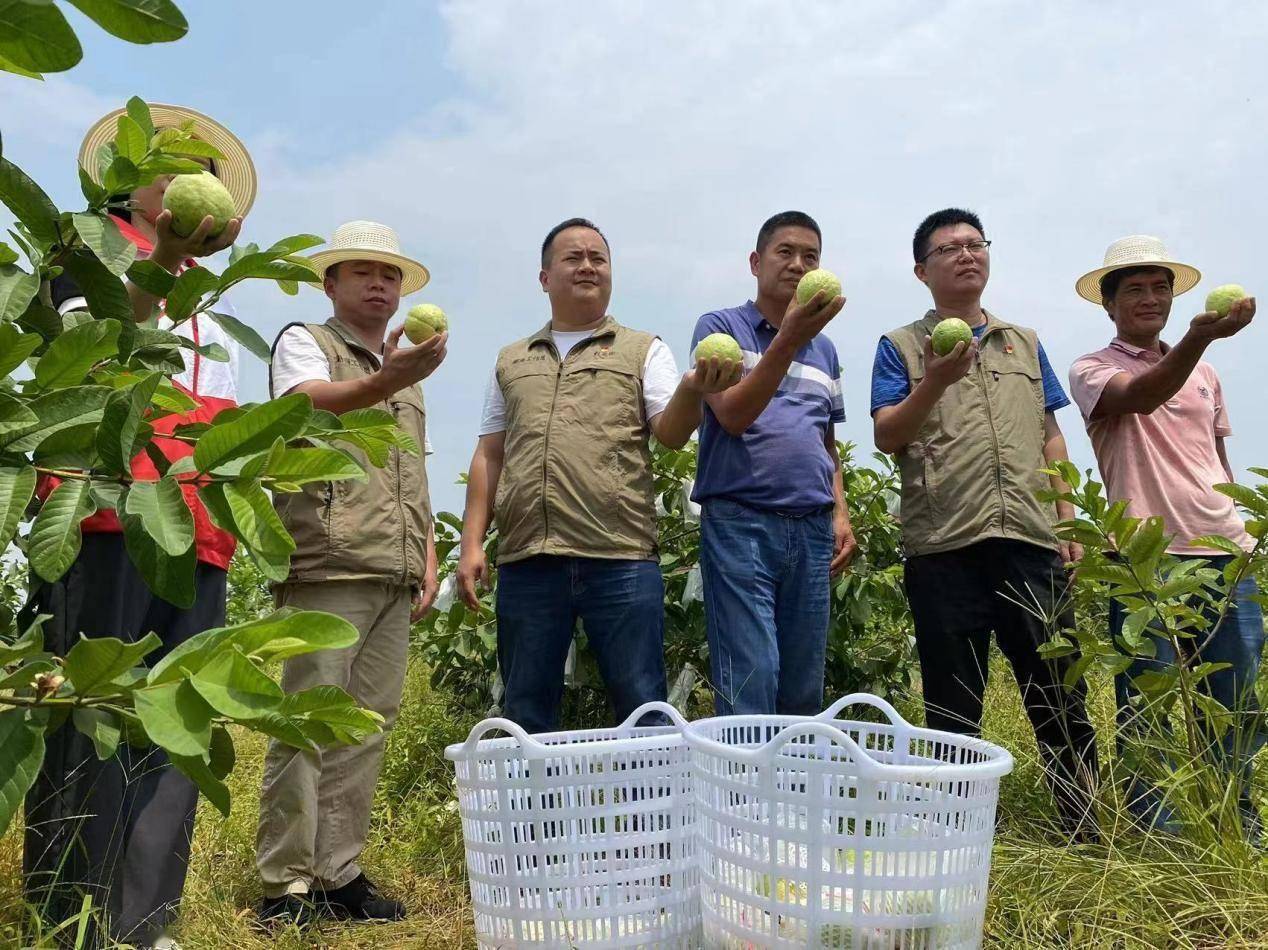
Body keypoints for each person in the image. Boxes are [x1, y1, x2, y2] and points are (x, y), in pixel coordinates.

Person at [23, 103, 254, 950]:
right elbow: (95, 348)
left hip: (199, 532)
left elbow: (227, 427)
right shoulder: (84, 260)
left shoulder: (217, 310)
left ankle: (146, 922)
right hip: (105, 519)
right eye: (179, 165)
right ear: (134, 177)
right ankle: (70, 918)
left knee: (175, 726)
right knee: (89, 718)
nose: (202, 182)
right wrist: (161, 257)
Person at [455, 217, 740, 734]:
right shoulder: (511, 360)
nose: (588, 266)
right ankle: (538, 818)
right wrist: (472, 543)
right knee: (526, 711)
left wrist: (695, 389)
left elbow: (671, 433)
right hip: (527, 558)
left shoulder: (643, 349)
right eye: (573, 257)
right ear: (544, 277)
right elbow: (489, 454)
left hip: (621, 557)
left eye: (598, 258)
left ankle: (651, 817)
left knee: (642, 708)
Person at [871, 207, 1099, 836]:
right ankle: (954, 834)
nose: (967, 254)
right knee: (952, 703)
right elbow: (888, 433)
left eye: (976, 244)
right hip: (944, 545)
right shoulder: (900, 346)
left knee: (1059, 691)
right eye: (949, 248)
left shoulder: (1023, 341)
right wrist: (936, 382)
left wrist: (1067, 519)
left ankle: (1085, 828)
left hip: (1030, 538)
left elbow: (1052, 434)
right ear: (922, 270)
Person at [255, 221, 445, 926]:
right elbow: (300, 404)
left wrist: (425, 555)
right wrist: (384, 379)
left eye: (389, 275)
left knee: (366, 725)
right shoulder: (306, 340)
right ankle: (284, 886)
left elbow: (411, 470)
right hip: (327, 563)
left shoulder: (407, 374)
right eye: (361, 271)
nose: (378, 284)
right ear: (330, 283)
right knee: (305, 722)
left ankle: (337, 873)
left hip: (392, 568)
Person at [1069, 235, 1260, 831]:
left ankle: (1234, 820)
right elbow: (1145, 397)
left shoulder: (1206, 373)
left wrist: (1246, 537)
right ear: (1109, 305)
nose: (1150, 299)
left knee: (1234, 700)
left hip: (1224, 550)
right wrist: (1203, 334)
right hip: (1144, 557)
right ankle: (1159, 833)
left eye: (1160, 288)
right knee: (1144, 701)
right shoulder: (1093, 369)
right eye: (1134, 290)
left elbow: (1216, 462)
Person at [690, 210, 856, 716]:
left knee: (803, 685)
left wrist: (840, 512)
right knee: (750, 676)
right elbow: (734, 415)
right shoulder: (719, 328)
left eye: (811, 257)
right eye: (785, 252)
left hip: (810, 526)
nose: (798, 265)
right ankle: (739, 796)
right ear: (756, 261)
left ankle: (792, 795)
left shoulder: (825, 349)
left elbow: (824, 442)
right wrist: (787, 337)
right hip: (741, 521)